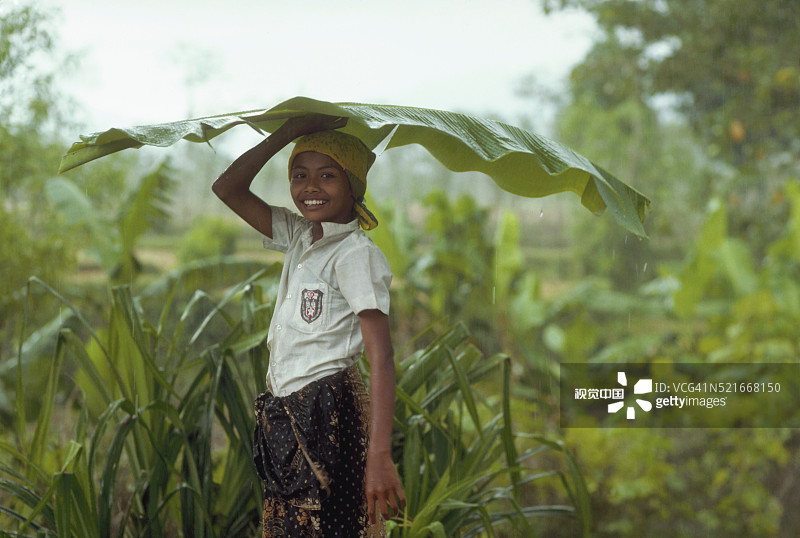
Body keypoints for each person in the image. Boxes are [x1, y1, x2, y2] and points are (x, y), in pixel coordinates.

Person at [212, 114, 405, 537]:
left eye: (327, 175)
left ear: (353, 187)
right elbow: (227, 188)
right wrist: (286, 134)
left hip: (329, 413)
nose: (310, 187)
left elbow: (382, 357)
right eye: (299, 175)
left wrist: (379, 455)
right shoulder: (299, 235)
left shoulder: (354, 254)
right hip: (287, 412)